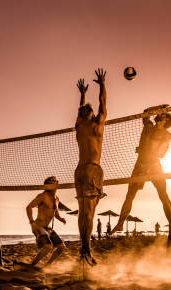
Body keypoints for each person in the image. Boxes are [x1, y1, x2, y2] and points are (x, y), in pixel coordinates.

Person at [110, 108, 171, 240]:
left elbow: (162, 155)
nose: (158, 115)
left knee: (163, 195)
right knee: (130, 196)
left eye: (162, 114)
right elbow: (146, 113)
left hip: (153, 165)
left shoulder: (166, 135)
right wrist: (158, 108)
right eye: (159, 113)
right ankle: (120, 223)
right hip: (140, 165)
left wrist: (151, 146)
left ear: (166, 120)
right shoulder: (148, 125)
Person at [75, 68, 107, 265]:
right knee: (88, 213)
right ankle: (86, 249)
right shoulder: (96, 125)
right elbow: (103, 105)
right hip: (92, 170)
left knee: (83, 213)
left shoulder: (79, 124)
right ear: (91, 114)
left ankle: (84, 248)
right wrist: (103, 85)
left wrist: (83, 95)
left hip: (79, 171)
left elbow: (85, 109)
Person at [26, 176, 67, 267]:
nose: (56, 183)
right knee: (48, 247)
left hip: (48, 228)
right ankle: (32, 266)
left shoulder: (56, 198)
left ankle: (47, 266)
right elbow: (28, 207)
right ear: (48, 185)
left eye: (56, 181)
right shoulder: (42, 196)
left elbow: (56, 214)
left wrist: (61, 219)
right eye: (53, 181)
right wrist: (31, 222)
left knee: (61, 247)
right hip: (38, 226)